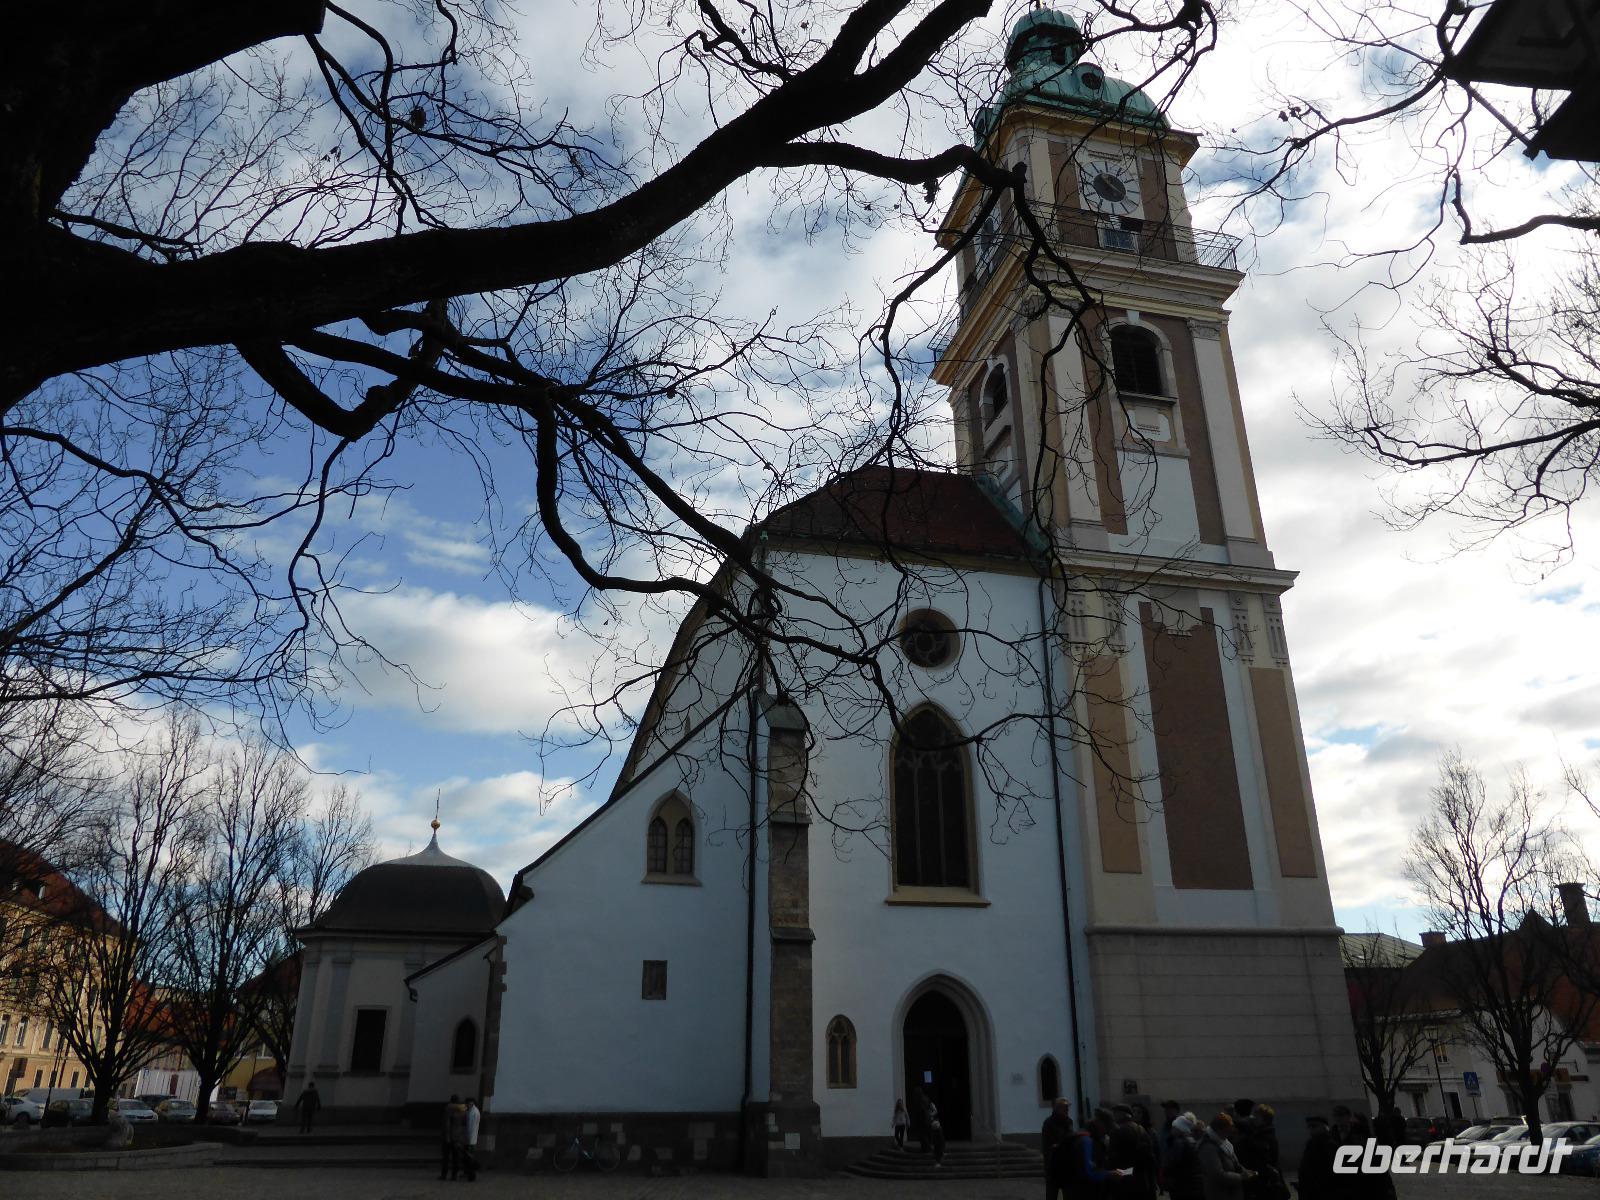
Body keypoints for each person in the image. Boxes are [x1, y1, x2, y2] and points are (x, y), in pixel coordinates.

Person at [1052, 1108, 1132, 1200]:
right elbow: (1088, 1173)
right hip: (1082, 1193)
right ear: (1099, 1123)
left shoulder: (1092, 1139)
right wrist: (1109, 1174)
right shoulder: (1086, 1141)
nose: (1107, 1132)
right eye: (1107, 1127)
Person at [1198, 1112, 1253, 1200]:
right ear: (1220, 1129)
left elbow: (1235, 1163)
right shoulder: (1208, 1147)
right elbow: (1217, 1174)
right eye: (1228, 1129)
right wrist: (1241, 1177)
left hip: (1231, 1192)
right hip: (1220, 1194)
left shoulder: (1224, 1143)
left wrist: (1245, 1171)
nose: (1231, 1132)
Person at [1109, 1104, 1156, 1200]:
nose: (1114, 1116)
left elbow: (1113, 1159)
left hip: (1125, 1179)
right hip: (1142, 1178)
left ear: (1122, 1115)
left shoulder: (1117, 1131)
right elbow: (1150, 1156)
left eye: (1115, 1113)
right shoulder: (1141, 1129)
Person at [1160, 1113, 1204, 1200]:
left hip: (1181, 1185)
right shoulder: (1191, 1141)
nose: (1172, 1129)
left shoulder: (1179, 1143)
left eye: (1174, 1127)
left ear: (1180, 1128)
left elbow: (1172, 1164)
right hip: (1191, 1185)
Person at [1295, 1115, 1336, 1200]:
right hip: (1310, 1191)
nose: (1311, 1129)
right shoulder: (1311, 1143)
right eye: (1309, 1127)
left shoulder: (1329, 1144)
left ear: (1325, 1127)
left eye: (1314, 1126)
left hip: (1322, 1192)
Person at [1043, 1098, 1075, 1200]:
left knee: (1069, 1194)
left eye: (1067, 1107)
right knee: (1052, 1194)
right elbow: (1048, 1145)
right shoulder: (1049, 1123)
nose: (1067, 1110)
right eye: (1064, 1108)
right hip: (1053, 1165)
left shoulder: (1069, 1121)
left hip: (1067, 1166)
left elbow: (1071, 1138)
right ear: (1057, 1108)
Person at [441, 1094, 462, 1180]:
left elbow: (447, 1124)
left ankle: (444, 1174)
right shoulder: (461, 1109)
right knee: (455, 1157)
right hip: (457, 1136)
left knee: (446, 1157)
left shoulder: (448, 1109)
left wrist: (447, 1137)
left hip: (449, 1136)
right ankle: (454, 1175)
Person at [462, 1097, 481, 1182]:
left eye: (466, 1103)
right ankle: (468, 1173)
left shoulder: (473, 1113)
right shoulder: (473, 1111)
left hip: (470, 1140)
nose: (465, 1105)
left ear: (470, 1103)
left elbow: (470, 1127)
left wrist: (468, 1140)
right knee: (468, 1158)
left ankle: (471, 1175)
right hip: (471, 1139)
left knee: (469, 1158)